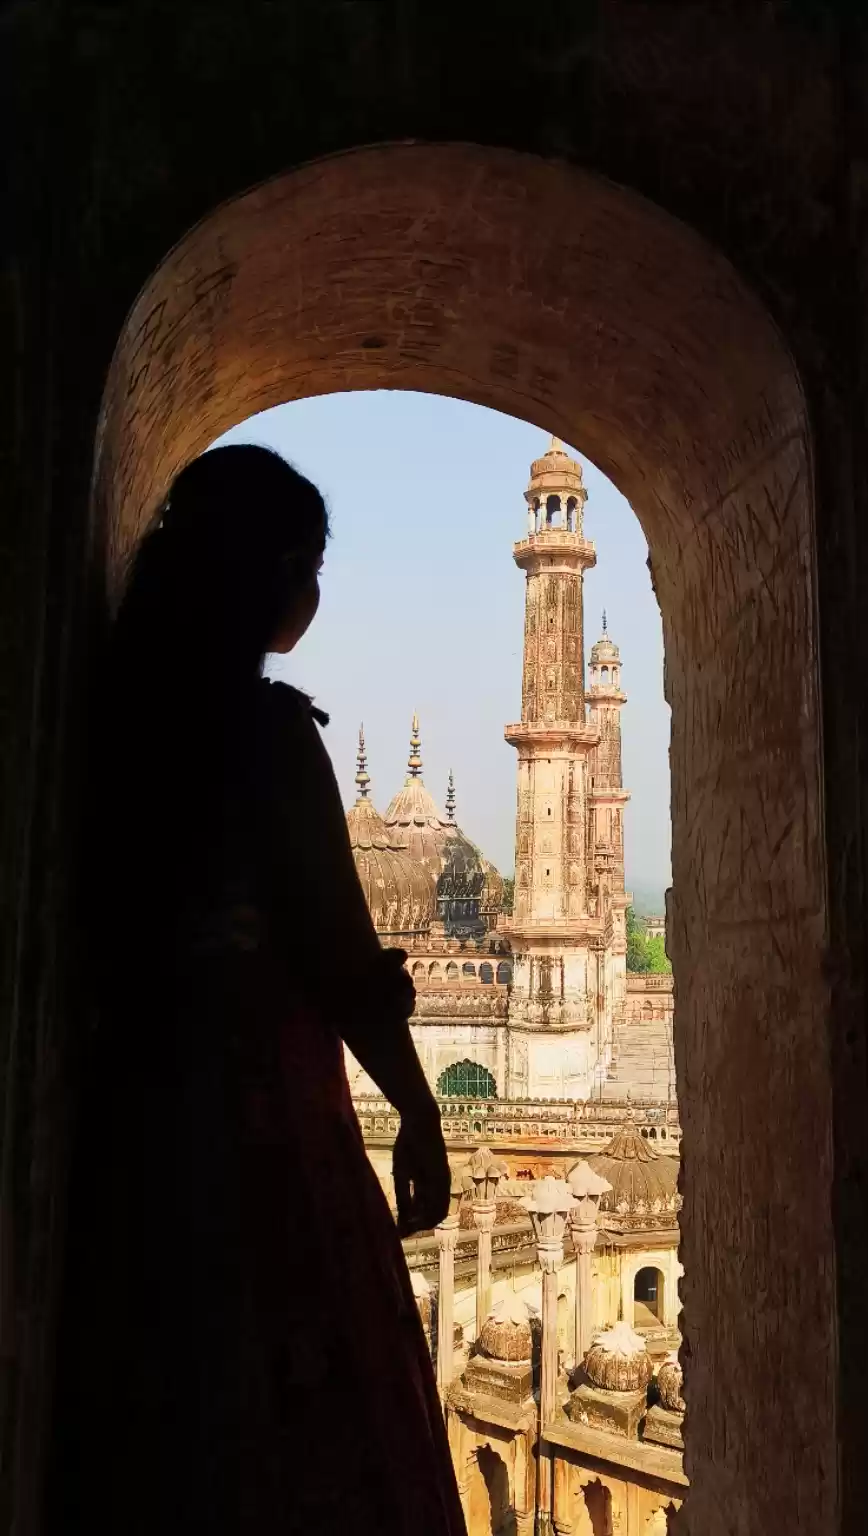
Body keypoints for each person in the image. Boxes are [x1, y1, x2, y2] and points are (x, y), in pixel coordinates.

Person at [48, 445, 466, 1534]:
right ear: (273, 573)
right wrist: (418, 1113)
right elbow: (340, 955)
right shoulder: (265, 735)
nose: (315, 594)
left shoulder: (112, 718)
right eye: (311, 564)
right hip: (263, 1124)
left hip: (132, 1126)